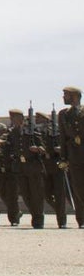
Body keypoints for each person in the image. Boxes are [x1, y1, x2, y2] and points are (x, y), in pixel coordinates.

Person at [0, 109, 47, 228]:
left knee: (36, 194)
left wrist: (38, 149)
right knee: (26, 195)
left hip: (33, 166)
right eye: (11, 118)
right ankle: (35, 214)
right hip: (20, 168)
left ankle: (38, 219)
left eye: (14, 118)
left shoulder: (32, 130)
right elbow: (2, 139)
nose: (12, 120)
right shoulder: (12, 132)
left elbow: (42, 147)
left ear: (21, 118)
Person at [58, 87, 84, 228]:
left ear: (74, 96)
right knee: (78, 188)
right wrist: (63, 158)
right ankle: (82, 219)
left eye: (66, 95)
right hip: (74, 156)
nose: (63, 97)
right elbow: (63, 137)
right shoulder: (63, 114)